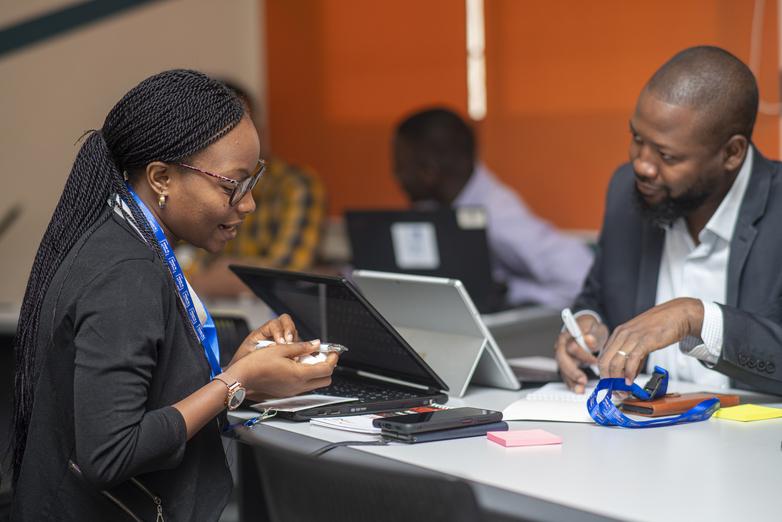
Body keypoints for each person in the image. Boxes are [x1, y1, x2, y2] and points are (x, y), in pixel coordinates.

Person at [11, 70, 337, 520]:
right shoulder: (126, 272)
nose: (248, 204)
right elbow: (112, 453)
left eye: (252, 181)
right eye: (231, 185)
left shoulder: (124, 239)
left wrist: (238, 369)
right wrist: (235, 382)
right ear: (162, 177)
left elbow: (147, 396)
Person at [554, 46, 782, 396]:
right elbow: (596, 298)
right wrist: (588, 329)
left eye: (666, 155)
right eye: (637, 139)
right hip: (641, 436)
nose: (642, 166)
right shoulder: (626, 191)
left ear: (732, 153)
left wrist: (696, 317)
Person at [392, 107, 594, 310]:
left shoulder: (497, 215)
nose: (397, 176)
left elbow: (582, 278)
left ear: (428, 170)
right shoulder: (437, 209)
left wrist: (508, 291)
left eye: (400, 166)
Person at [185, 80, 326, 299]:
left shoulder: (293, 186)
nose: (247, 204)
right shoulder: (194, 185)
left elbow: (286, 274)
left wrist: (221, 272)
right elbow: (183, 264)